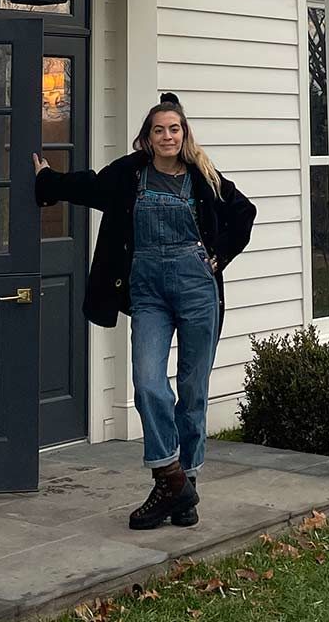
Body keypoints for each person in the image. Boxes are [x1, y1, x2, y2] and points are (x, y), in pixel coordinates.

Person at [32, 93, 256, 530]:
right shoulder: (131, 174)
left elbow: (244, 214)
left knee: (192, 391)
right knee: (149, 382)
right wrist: (48, 181)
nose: (167, 136)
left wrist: (217, 259)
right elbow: (91, 185)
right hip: (147, 291)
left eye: (174, 129)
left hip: (197, 290)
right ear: (147, 138)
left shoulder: (204, 176)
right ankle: (171, 477)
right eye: (159, 130)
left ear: (184, 134)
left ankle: (184, 487)